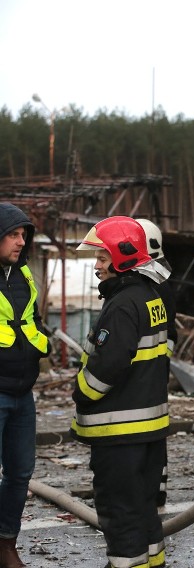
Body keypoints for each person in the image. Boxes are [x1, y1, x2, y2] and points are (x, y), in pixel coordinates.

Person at [72, 216, 172, 568]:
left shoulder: (123, 304)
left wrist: (81, 393)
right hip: (147, 430)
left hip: (121, 434)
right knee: (144, 511)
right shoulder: (149, 296)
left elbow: (108, 364)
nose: (97, 267)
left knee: (121, 514)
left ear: (123, 257)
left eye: (101, 259)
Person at [0, 203, 50, 568]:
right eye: (14, 235)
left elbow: (31, 318)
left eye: (23, 236)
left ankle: (6, 544)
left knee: (20, 472)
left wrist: (41, 343)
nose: (21, 242)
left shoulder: (22, 275)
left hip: (22, 392)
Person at [135, 218, 176, 509]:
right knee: (154, 428)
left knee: (147, 429)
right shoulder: (159, 278)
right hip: (156, 366)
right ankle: (155, 488)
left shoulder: (150, 284)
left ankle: (151, 488)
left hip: (146, 369)